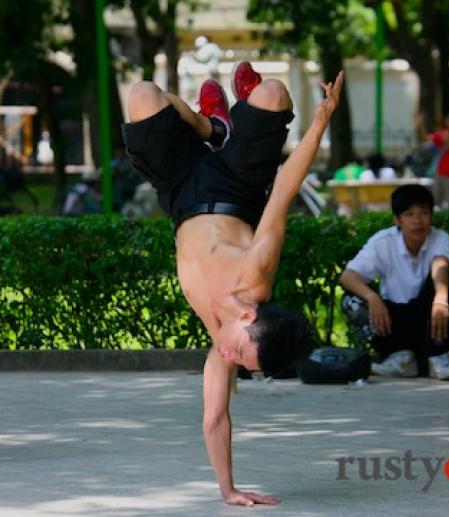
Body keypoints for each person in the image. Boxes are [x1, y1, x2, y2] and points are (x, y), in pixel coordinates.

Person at [122, 62, 343, 505]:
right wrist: (321, 120)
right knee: (275, 94)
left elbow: (215, 417)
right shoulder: (255, 274)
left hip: (181, 191)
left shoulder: (219, 337)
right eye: (239, 352)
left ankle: (211, 124)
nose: (228, 357)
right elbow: (283, 189)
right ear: (249, 316)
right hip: (236, 184)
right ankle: (216, 127)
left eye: (238, 362)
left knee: (143, 94)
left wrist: (228, 489)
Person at [340, 184, 449, 380]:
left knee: (445, 283)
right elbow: (348, 276)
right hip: (392, 318)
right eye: (409, 214)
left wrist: (440, 298)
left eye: (423, 213)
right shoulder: (383, 242)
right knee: (351, 301)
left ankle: (439, 357)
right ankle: (401, 358)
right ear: (397, 219)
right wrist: (372, 297)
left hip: (428, 314)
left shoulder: (440, 238)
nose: (417, 221)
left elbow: (441, 264)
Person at [416, 112, 449, 210]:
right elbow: (426, 138)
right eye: (448, 121)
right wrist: (420, 124)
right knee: (435, 200)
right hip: (440, 172)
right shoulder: (444, 133)